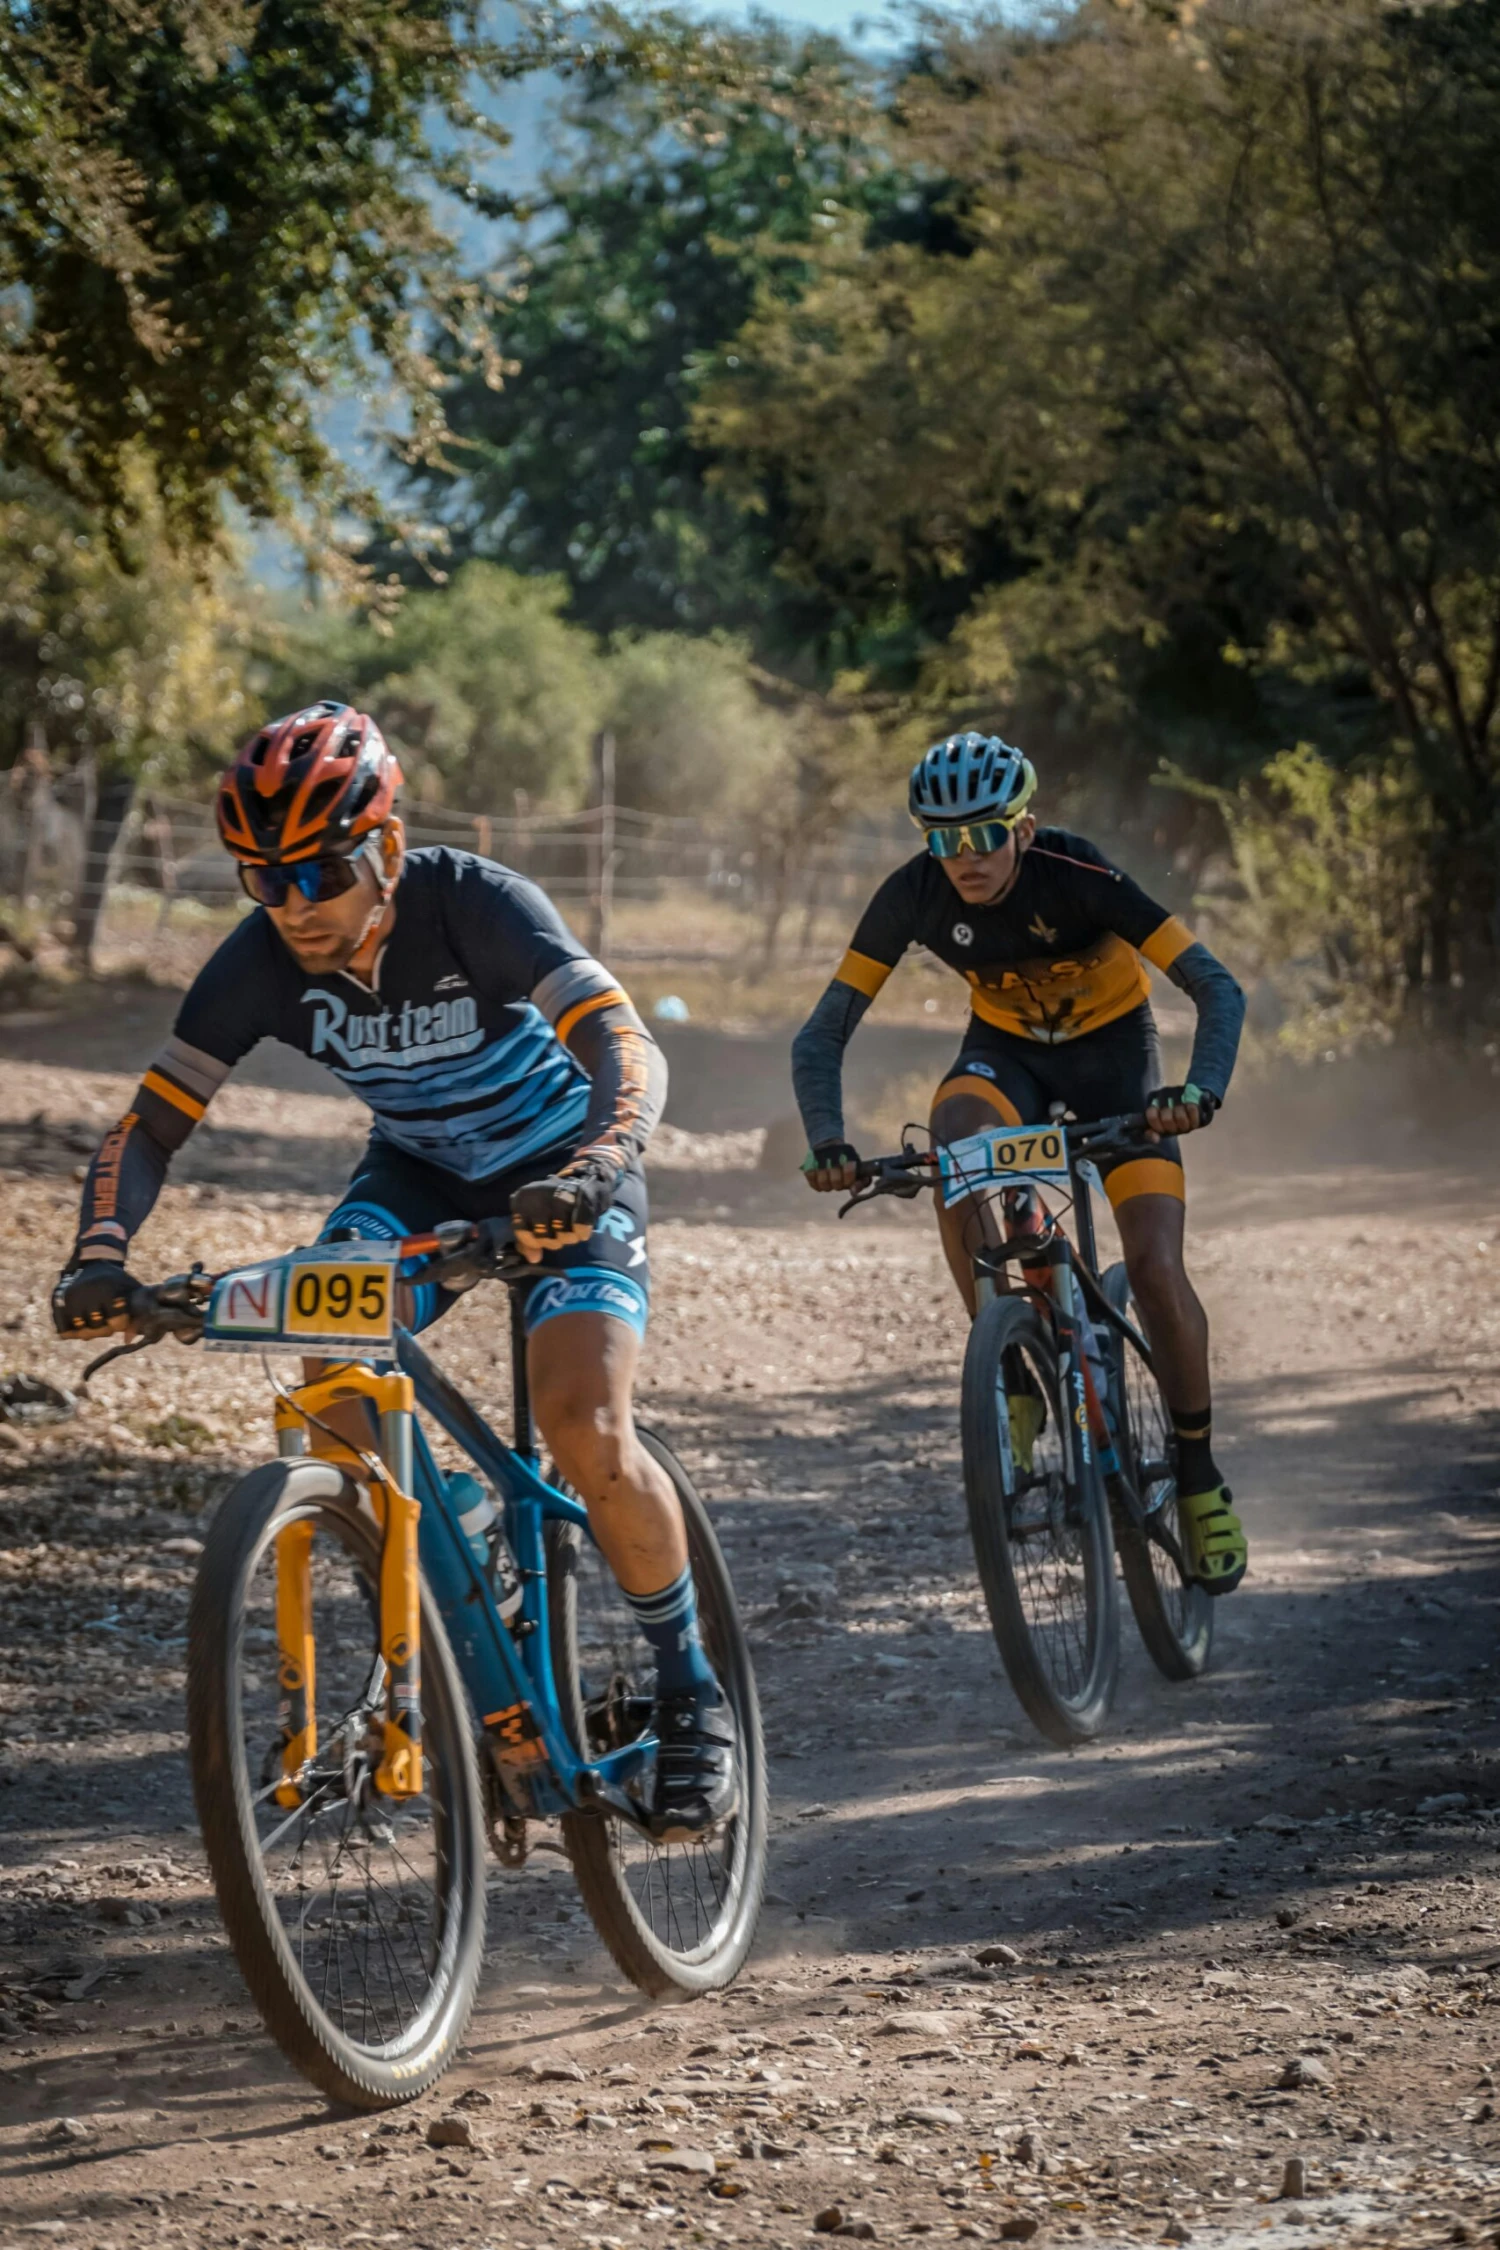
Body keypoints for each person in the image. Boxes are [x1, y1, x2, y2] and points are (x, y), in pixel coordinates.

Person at [51, 700, 735, 1836]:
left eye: (321, 873)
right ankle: (466, 1543)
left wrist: (600, 1164)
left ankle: (690, 1684)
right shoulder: (259, 962)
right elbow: (154, 1123)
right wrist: (100, 1254)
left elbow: (626, 1042)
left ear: (388, 848)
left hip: (563, 1175)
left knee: (583, 1424)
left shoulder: (475, 903)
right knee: (327, 1361)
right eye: (264, 882)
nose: (297, 907)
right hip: (417, 1177)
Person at [793, 730, 1249, 1594]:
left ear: (1024, 829)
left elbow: (1216, 984)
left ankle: (1195, 1477)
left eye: (981, 835)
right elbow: (822, 1032)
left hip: (1119, 1068)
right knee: (954, 1130)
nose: (963, 857)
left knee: (1154, 1267)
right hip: (1008, 1064)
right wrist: (828, 1141)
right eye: (941, 838)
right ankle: (1009, 1366)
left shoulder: (1081, 877)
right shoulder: (914, 895)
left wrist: (1200, 1089)